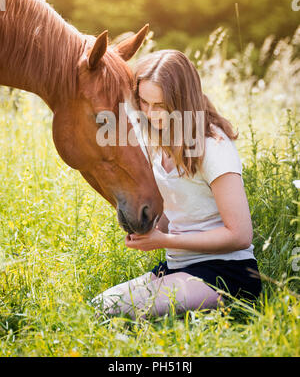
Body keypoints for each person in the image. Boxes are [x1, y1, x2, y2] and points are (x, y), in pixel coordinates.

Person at [91, 49, 262, 319]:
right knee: (101, 305)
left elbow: (240, 235)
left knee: (118, 311)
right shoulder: (159, 141)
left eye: (159, 105)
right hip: (177, 267)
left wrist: (165, 240)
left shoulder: (212, 146)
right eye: (143, 102)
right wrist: (146, 229)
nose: (149, 113)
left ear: (182, 101)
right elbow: (179, 212)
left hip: (226, 273)